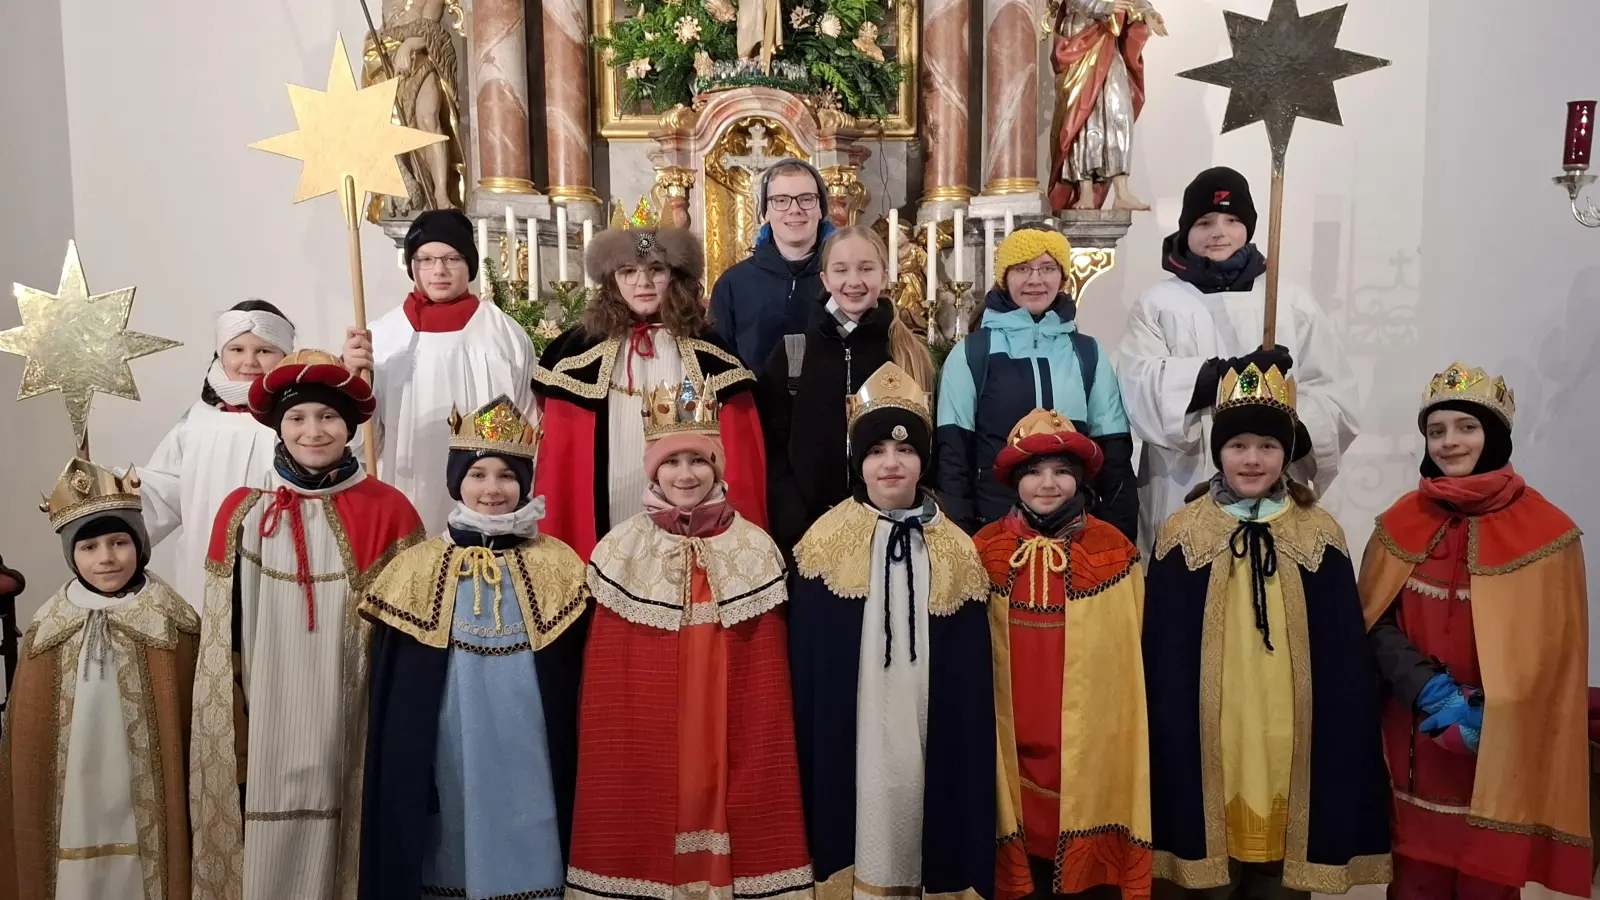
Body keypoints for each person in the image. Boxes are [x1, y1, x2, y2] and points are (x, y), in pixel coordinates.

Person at [1143, 363, 1390, 898]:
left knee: (1280, 880)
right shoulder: (1182, 533)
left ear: (1285, 454)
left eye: (1266, 446)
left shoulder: (1320, 533)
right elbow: (1162, 658)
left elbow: (1343, 660)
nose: (1251, 459)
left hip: (1289, 741)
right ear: (1219, 453)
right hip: (1211, 741)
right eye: (1237, 446)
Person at [189, 349, 424, 900]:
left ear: (349, 427)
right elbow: (226, 633)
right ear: (277, 426)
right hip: (267, 712)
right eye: (297, 418)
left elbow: (405, 637)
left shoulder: (389, 510)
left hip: (349, 715)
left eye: (327, 418)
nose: (313, 431)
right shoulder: (242, 511)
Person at [566, 380, 811, 900]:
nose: (685, 475)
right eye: (671, 462)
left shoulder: (753, 546)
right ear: (653, 469)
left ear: (717, 468)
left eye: (698, 462)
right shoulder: (621, 548)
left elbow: (766, 677)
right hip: (654, 716)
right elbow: (609, 681)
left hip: (725, 712)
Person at [1358, 362, 1591, 899]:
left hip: (1499, 753)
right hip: (1416, 743)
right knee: (1415, 883)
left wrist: (1497, 707)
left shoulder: (1549, 534)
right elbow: (1372, 621)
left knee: (1488, 886)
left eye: (1466, 426)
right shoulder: (1399, 521)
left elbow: (1558, 653)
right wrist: (1427, 689)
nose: (1450, 442)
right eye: (1436, 431)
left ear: (1495, 435)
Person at [360, 395, 588, 900]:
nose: (492, 489)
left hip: (530, 743)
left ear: (525, 484)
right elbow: (397, 699)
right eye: (478, 473)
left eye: (507, 476)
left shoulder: (561, 564)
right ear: (456, 481)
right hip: (450, 744)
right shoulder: (417, 567)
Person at [789, 362, 996, 900]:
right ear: (859, 462)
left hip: (928, 725)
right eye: (877, 451)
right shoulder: (823, 543)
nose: (890, 464)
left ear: (922, 460)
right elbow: (810, 669)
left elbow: (971, 682)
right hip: (854, 730)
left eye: (904, 451)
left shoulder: (956, 547)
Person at [1117, 166, 1359, 552]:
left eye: (1232, 220)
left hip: (1271, 476)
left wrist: (1285, 429)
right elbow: (1139, 382)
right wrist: (1221, 377)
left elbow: (1333, 393)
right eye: (1204, 221)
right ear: (1186, 229)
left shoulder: (1288, 301)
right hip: (1183, 478)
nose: (1219, 232)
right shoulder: (1159, 303)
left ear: (1249, 227)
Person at [0, 458, 199, 900]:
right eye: (88, 547)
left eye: (118, 542)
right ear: (71, 553)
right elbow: (27, 745)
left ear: (141, 544)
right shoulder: (48, 629)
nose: (106, 558)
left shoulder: (175, 624)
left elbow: (195, 735)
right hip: (74, 800)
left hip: (146, 804)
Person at [975, 409, 1151, 900]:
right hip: (1010, 739)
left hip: (1086, 743)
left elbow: (1131, 660)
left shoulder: (1113, 550)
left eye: (1061, 472)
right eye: (1032, 471)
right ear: (1014, 480)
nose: (1046, 484)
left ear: (1079, 479)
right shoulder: (983, 551)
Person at [534, 224, 767, 561]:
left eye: (655, 269)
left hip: (690, 507)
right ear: (611, 278)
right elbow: (560, 462)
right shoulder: (576, 351)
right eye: (628, 271)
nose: (642, 283)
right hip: (610, 501)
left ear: (675, 275)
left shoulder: (710, 351)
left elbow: (741, 461)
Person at [936, 225, 1137, 542]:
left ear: (1063, 277)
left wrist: (1119, 537)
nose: (1035, 280)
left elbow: (1114, 457)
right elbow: (952, 457)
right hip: (993, 531)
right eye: (1022, 268)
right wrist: (961, 538)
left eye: (1047, 268)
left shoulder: (1088, 354)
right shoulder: (972, 354)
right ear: (1004, 277)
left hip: (1076, 531)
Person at [343, 208, 537, 535]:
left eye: (452, 258)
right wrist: (352, 381)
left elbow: (527, 421)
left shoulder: (503, 334)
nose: (439, 270)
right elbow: (366, 442)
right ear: (411, 265)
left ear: (469, 264)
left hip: (487, 502)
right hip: (406, 486)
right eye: (426, 259)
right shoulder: (382, 336)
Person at [756, 225, 935, 553]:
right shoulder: (793, 353)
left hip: (891, 534)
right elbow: (772, 449)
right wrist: (793, 520)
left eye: (866, 268)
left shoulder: (909, 353)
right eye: (841, 270)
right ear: (824, 279)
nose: (854, 282)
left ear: (883, 275)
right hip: (808, 533)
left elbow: (926, 446)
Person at [141, 299, 295, 609]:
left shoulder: (298, 421)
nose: (249, 362)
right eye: (237, 350)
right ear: (220, 353)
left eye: (264, 350)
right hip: (206, 565)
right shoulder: (196, 423)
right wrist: (106, 495)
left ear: (285, 356)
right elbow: (162, 491)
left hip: (282, 564)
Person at [710, 158, 836, 368]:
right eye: (780, 200)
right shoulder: (732, 284)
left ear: (821, 209)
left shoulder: (843, 278)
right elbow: (718, 367)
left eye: (806, 199)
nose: (794, 209)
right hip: (755, 400)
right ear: (765, 212)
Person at [1049, 0, 1167, 211]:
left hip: (1110, 42)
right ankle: (1085, 191)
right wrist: (1102, 7)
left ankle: (1122, 190)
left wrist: (1148, 12)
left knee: (1119, 111)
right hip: (1081, 41)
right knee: (1085, 116)